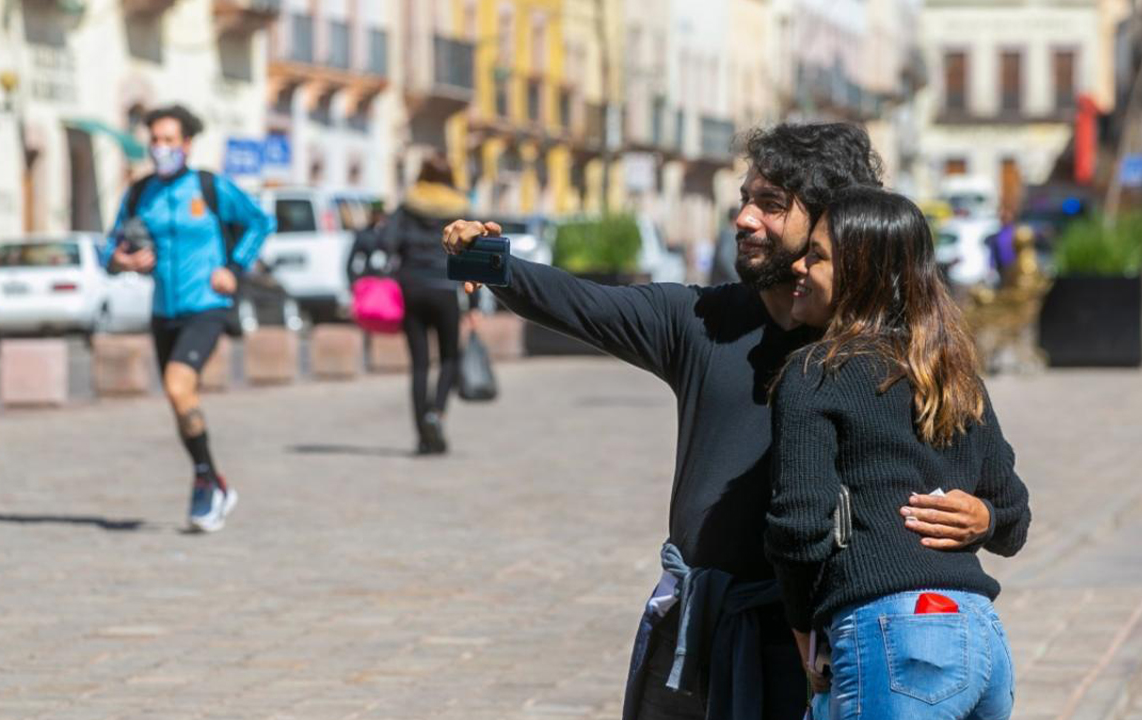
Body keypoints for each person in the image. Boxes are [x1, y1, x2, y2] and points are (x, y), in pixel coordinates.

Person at [443, 123, 997, 720]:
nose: (744, 218)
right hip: (706, 625)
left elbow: (987, 476)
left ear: (831, 224)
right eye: (745, 199)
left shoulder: (886, 350)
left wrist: (984, 515)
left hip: (824, 641)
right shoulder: (699, 319)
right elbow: (581, 302)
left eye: (771, 204)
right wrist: (487, 259)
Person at [766, 187, 1031, 719]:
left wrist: (802, 632)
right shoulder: (952, 373)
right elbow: (1014, 518)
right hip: (981, 636)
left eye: (816, 255)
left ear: (859, 272)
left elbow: (800, 525)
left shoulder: (814, 372)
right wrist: (985, 519)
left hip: (897, 641)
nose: (799, 265)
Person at [100, 104, 274, 532]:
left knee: (180, 385)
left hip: (206, 305)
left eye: (168, 140)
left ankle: (205, 481)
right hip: (164, 311)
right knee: (181, 401)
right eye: (154, 140)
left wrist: (233, 268)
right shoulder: (140, 193)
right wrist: (123, 261)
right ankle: (212, 480)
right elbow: (109, 248)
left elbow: (259, 221)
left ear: (187, 144)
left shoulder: (209, 186)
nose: (160, 148)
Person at [386, 156, 478, 455]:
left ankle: (422, 437)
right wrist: (474, 303)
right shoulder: (459, 207)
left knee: (420, 364)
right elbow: (473, 254)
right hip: (446, 288)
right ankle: (436, 414)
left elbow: (387, 242)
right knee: (450, 357)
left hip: (411, 288)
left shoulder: (408, 205)